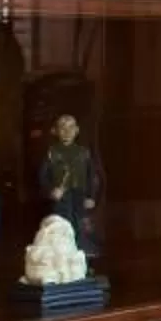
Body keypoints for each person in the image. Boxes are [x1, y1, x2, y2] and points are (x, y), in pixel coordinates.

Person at [38, 111, 102, 261]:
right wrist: (50, 191)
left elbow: (92, 176)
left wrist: (91, 196)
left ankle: (85, 254)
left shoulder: (84, 153)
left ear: (77, 130)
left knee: (83, 225)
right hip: (61, 198)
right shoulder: (51, 153)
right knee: (61, 226)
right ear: (56, 131)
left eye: (71, 128)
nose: (67, 132)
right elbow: (42, 177)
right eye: (62, 128)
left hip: (80, 196)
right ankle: (63, 257)